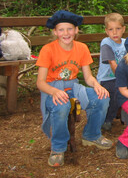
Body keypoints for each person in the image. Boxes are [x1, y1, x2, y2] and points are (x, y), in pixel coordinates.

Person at [36, 10, 113, 167]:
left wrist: (97, 85)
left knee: (102, 97)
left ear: (76, 30)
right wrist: (54, 92)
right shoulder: (48, 49)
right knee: (62, 105)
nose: (66, 33)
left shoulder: (82, 48)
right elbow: (40, 82)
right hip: (53, 88)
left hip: (73, 86)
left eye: (70, 29)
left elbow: (88, 77)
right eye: (61, 29)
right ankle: (58, 147)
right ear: (55, 32)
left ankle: (91, 135)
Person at [96, 13, 127, 131]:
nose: (114, 32)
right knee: (116, 90)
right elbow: (113, 64)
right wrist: (123, 80)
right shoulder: (106, 43)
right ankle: (107, 119)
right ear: (106, 31)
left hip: (120, 76)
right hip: (106, 79)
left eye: (118, 29)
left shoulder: (126, 43)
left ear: (123, 29)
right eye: (111, 29)